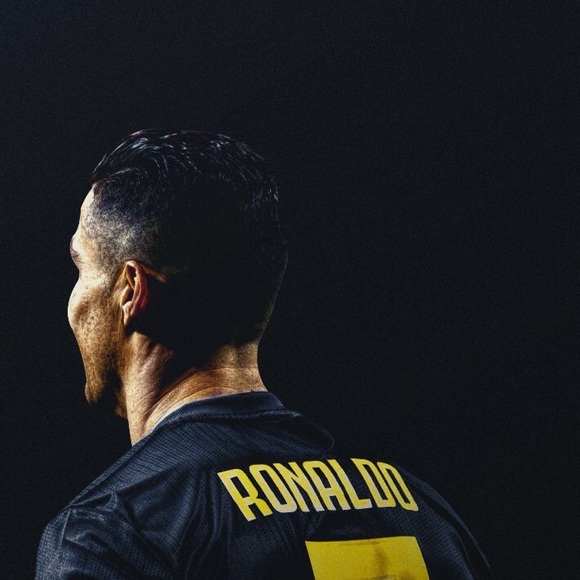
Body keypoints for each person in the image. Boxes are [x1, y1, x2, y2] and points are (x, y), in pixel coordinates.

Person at [36, 130, 491, 579]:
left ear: (131, 291)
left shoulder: (115, 534)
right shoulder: (426, 516)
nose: (73, 301)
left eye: (80, 267)